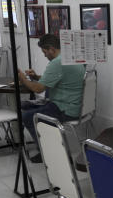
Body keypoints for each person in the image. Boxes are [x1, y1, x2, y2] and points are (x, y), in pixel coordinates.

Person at [17, 33, 85, 162]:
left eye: (45, 52)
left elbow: (38, 89)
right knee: (26, 106)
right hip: (74, 105)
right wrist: (36, 77)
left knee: (27, 117)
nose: (44, 55)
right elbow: (58, 79)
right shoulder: (70, 57)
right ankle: (50, 144)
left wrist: (23, 78)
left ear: (51, 49)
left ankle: (47, 153)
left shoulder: (57, 62)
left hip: (65, 109)